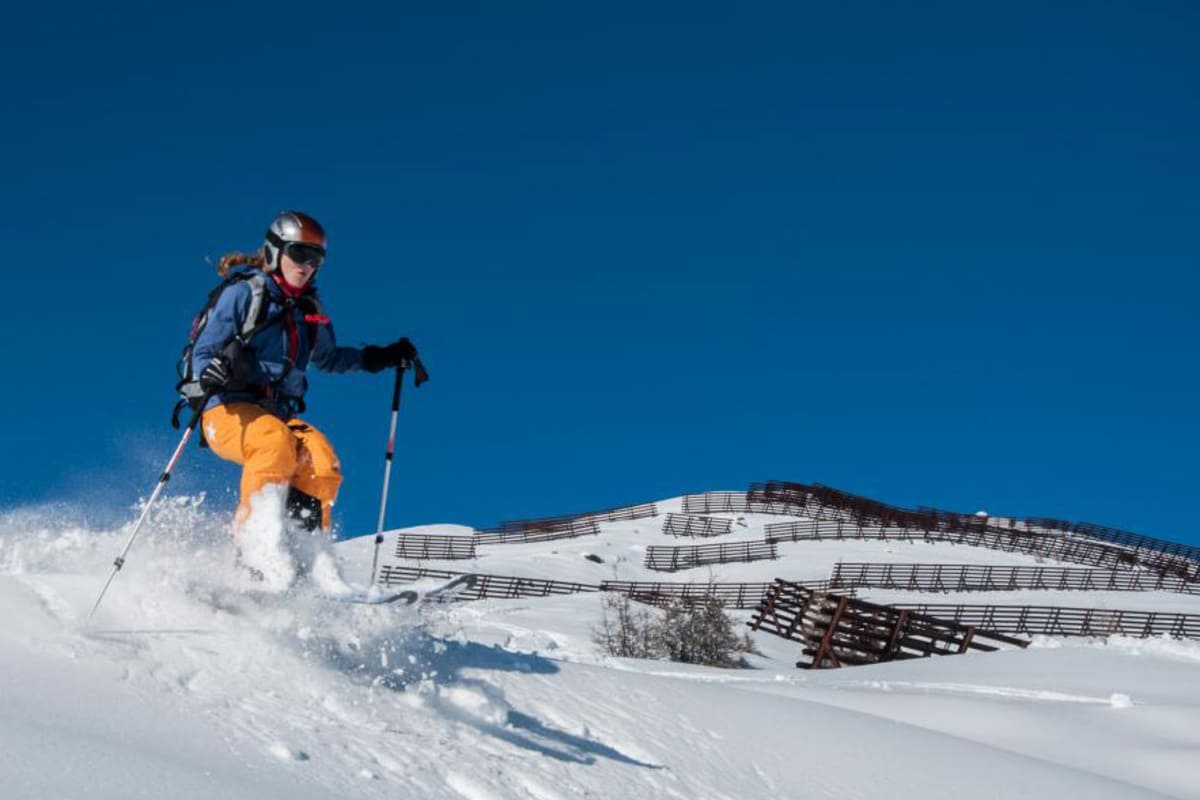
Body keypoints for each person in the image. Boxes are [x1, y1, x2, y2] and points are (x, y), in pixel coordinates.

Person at [190, 210, 415, 582]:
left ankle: (307, 561)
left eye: (316, 259)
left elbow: (328, 359)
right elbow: (203, 350)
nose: (308, 266)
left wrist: (381, 357)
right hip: (225, 410)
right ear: (275, 251)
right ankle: (255, 552)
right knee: (274, 444)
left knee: (321, 462)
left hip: (272, 413)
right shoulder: (244, 293)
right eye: (300, 254)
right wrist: (210, 371)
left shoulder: (308, 311)